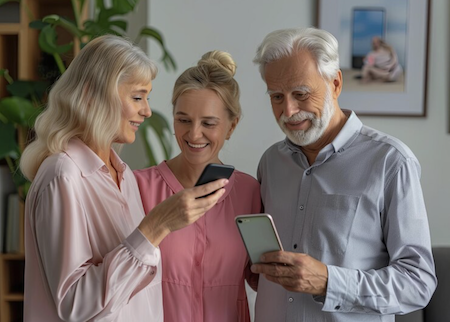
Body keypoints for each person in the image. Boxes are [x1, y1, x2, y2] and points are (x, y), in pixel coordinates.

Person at [20, 35, 228, 322]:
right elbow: (74, 303)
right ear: (95, 94)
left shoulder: (124, 175)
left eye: (147, 97)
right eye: (137, 97)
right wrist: (156, 226)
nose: (146, 110)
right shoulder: (63, 176)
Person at [250, 27, 437, 322]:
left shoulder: (391, 162)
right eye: (276, 96)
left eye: (300, 93)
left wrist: (329, 283)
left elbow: (418, 283)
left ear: (335, 84)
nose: (288, 110)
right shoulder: (271, 162)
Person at [134, 50, 261, 322]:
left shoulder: (250, 193)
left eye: (208, 123)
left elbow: (260, 279)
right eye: (183, 120)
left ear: (231, 126)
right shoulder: (138, 187)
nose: (193, 134)